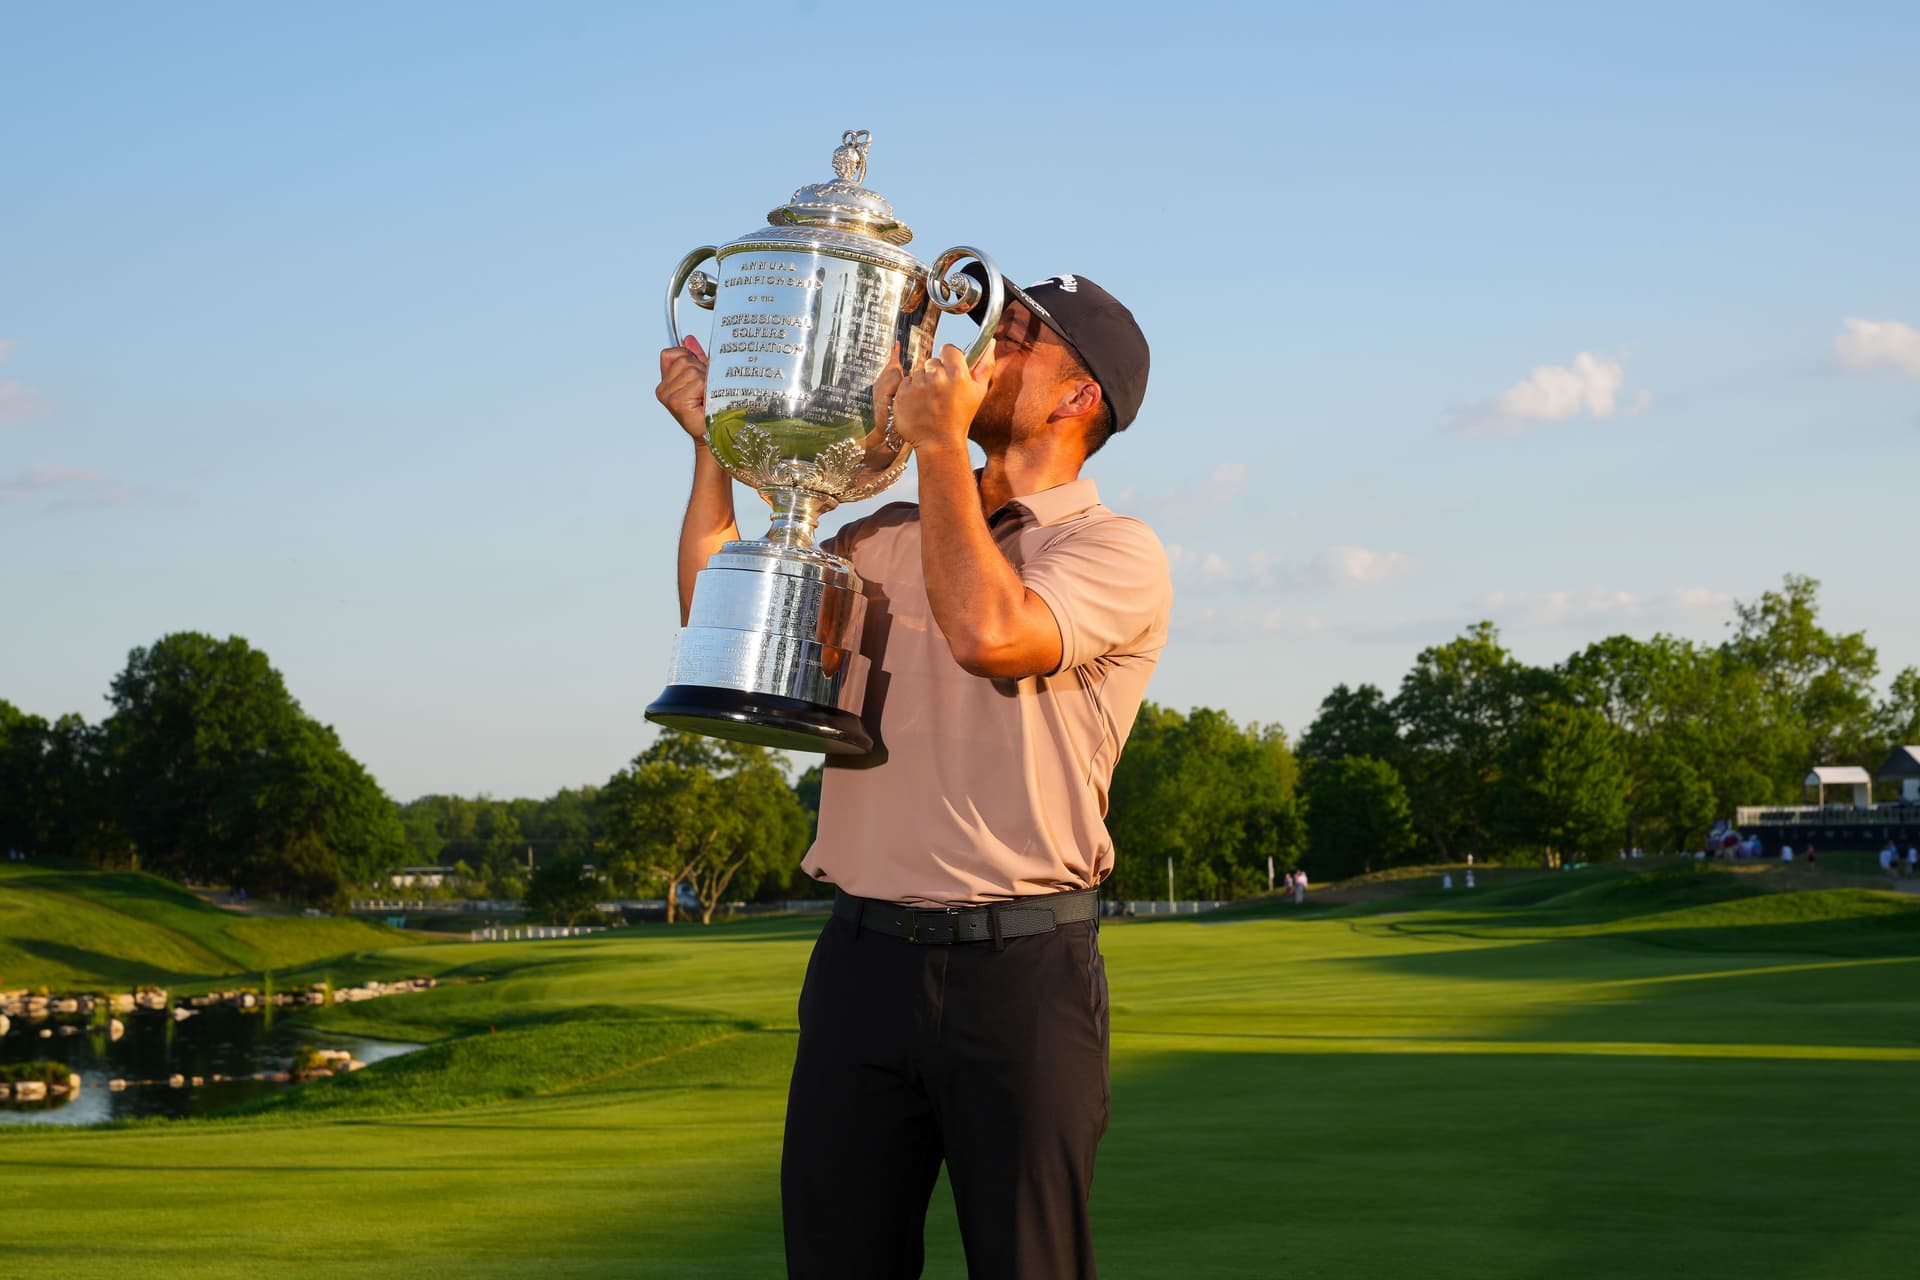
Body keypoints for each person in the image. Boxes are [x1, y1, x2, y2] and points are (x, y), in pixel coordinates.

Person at [657, 272, 1166, 1279]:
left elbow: (992, 632)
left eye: (1020, 338)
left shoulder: (1113, 549)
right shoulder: (882, 539)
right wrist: (717, 450)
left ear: (1080, 399)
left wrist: (936, 445)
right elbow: (719, 631)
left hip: (1021, 975)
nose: (984, 349)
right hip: (862, 963)